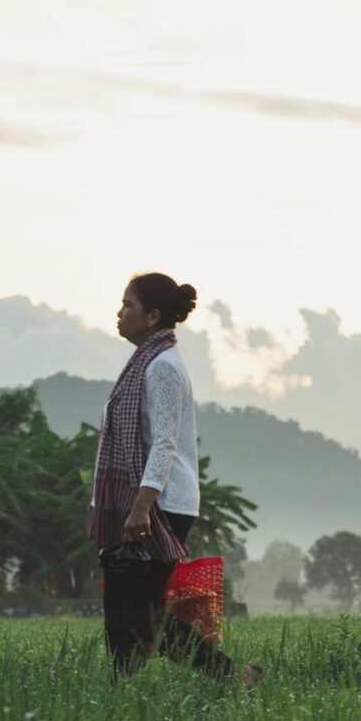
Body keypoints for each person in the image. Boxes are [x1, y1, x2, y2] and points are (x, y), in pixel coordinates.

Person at [92, 272, 253, 686]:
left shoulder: (162, 367)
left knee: (142, 613)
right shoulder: (146, 363)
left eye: (128, 305)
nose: (120, 312)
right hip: (145, 501)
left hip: (161, 505)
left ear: (153, 316)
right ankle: (123, 690)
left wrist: (141, 506)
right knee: (121, 609)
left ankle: (234, 676)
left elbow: (164, 444)